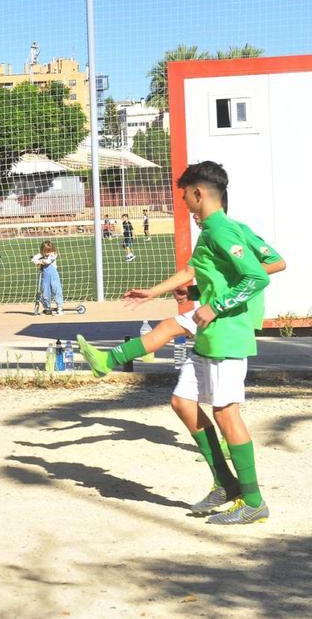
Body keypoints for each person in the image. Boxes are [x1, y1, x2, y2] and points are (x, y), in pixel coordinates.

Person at [78, 161, 276, 524]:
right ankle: (225, 483)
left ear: (199, 193)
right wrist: (154, 291)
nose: (182, 201)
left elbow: (256, 277)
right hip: (209, 335)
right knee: (182, 402)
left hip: (226, 335)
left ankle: (253, 501)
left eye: (184, 195)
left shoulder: (223, 231)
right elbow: (193, 271)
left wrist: (215, 306)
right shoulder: (212, 231)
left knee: (225, 412)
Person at [32, 241, 63, 315]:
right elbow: (33, 259)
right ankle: (47, 308)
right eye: (46, 251)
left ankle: (59, 307)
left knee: (56, 290)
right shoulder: (41, 254)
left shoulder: (53, 255)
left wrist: (41, 261)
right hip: (45, 277)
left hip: (53, 276)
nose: (48, 253)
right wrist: (37, 261)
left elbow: (48, 261)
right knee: (45, 291)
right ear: (42, 251)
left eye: (49, 251)